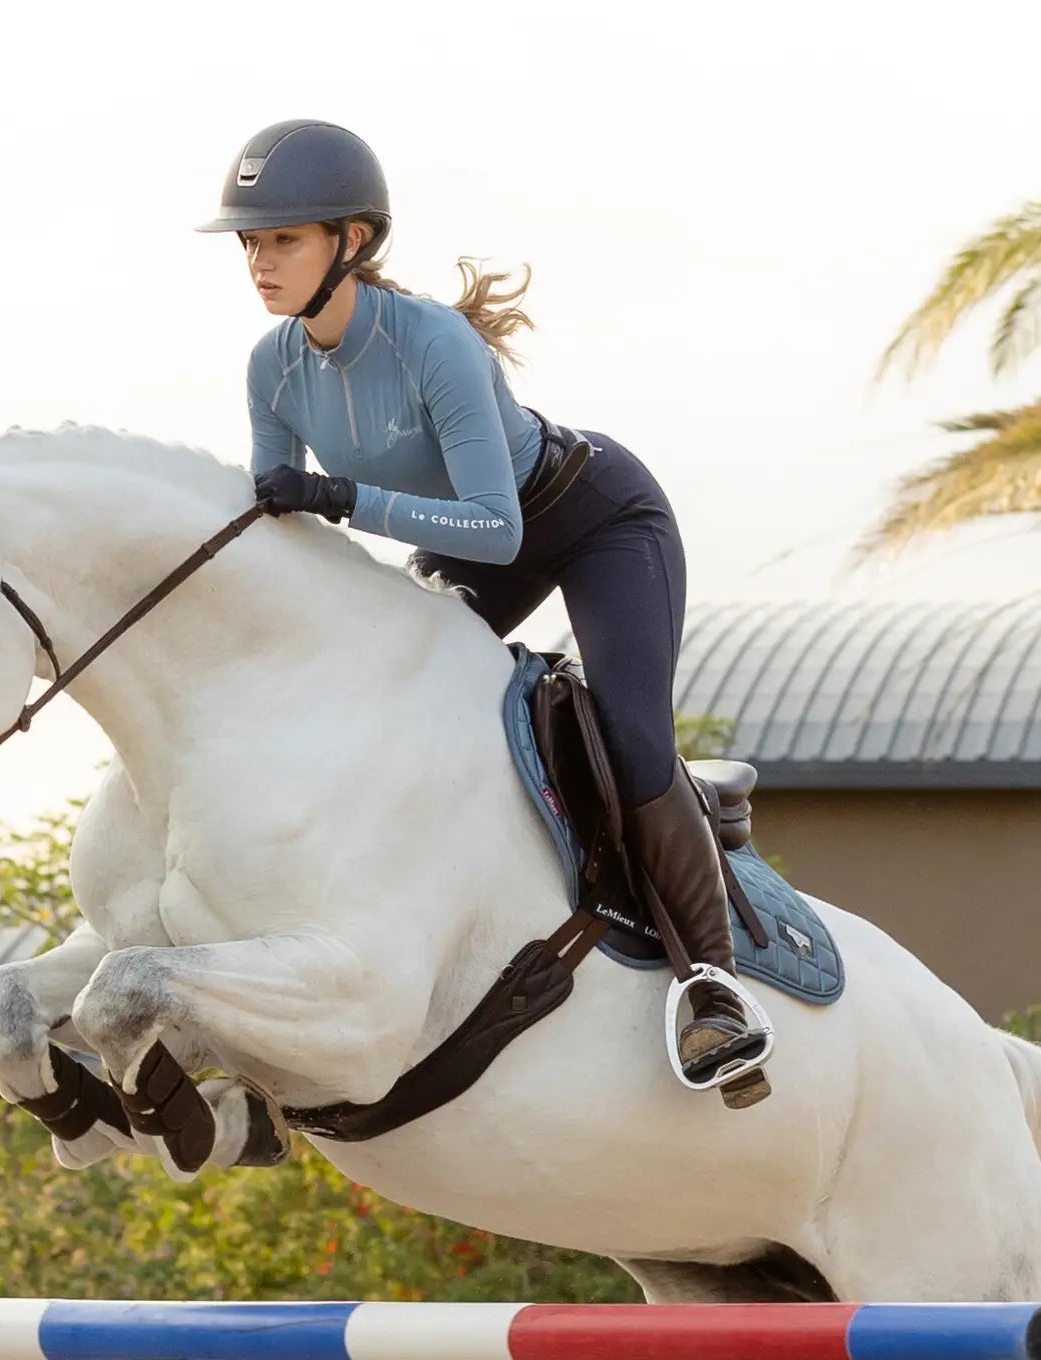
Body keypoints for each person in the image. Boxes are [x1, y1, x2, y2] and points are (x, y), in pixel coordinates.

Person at [199, 118, 771, 1108]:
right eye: (251, 241)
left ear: (353, 241)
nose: (260, 260)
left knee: (631, 738)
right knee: (384, 705)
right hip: (476, 538)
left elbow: (495, 529)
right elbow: (280, 521)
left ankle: (710, 981)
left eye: (282, 238)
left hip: (594, 520)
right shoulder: (271, 367)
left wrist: (345, 502)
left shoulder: (436, 345)